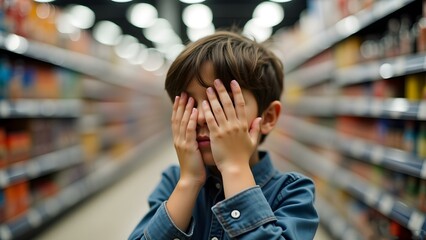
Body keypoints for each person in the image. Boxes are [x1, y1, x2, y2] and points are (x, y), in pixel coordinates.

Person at [129, 31, 319, 240]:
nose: (201, 116)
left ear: (267, 117)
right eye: (188, 103)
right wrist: (189, 182)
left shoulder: (293, 193)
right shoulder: (173, 181)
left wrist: (234, 168)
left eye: (219, 102)